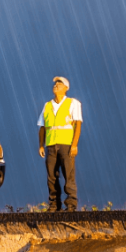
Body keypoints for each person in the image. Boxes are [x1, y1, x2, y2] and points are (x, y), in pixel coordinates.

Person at [37, 76, 82, 211]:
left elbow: (78, 124)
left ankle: (71, 204)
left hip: (66, 144)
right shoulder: (47, 105)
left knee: (69, 174)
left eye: (59, 84)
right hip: (51, 145)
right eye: (55, 84)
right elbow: (42, 127)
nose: (56, 85)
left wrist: (74, 145)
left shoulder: (73, 103)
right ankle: (54, 205)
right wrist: (41, 145)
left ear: (66, 88)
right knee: (51, 176)